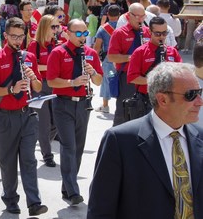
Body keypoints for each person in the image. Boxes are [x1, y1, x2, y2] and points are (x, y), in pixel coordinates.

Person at [88, 62, 203, 219]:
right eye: (191, 95)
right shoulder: (120, 141)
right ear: (162, 99)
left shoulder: (200, 137)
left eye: (200, 93)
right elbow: (101, 210)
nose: (199, 101)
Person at [0, 17, 48, 217]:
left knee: (29, 160)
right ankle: (11, 199)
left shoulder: (29, 56)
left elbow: (38, 87)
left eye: (21, 36)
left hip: (28, 115)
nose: (18, 40)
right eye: (14, 36)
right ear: (5, 36)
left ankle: (34, 202)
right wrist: (10, 89)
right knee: (8, 161)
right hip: (6, 117)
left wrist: (33, 78)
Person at [46, 19, 103, 205]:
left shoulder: (91, 54)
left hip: (83, 104)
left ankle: (67, 187)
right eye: (78, 33)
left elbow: (99, 81)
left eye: (85, 33)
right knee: (68, 146)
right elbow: (51, 81)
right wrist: (72, 83)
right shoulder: (58, 53)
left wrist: (93, 73)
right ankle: (73, 191)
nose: (82, 37)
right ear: (67, 33)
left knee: (78, 148)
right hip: (63, 104)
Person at [127, 17, 182, 119]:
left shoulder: (172, 52)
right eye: (157, 34)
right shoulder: (140, 52)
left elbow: (181, 74)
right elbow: (132, 78)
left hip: (169, 99)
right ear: (150, 32)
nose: (162, 37)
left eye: (164, 33)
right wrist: (155, 80)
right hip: (147, 100)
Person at [108, 3, 151, 126]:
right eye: (137, 16)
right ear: (128, 15)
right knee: (124, 111)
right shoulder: (120, 33)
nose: (140, 19)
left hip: (144, 77)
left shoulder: (148, 32)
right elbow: (111, 57)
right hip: (127, 77)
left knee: (145, 110)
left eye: (143, 16)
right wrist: (132, 58)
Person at [27, 15, 60, 167]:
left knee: (56, 123)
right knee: (45, 123)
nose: (56, 30)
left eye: (57, 26)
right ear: (45, 27)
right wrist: (51, 67)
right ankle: (47, 155)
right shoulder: (35, 45)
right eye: (53, 27)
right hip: (39, 86)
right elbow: (30, 66)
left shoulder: (56, 44)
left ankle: (42, 142)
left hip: (55, 85)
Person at [93, 5, 120, 113]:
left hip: (108, 58)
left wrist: (95, 61)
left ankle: (105, 105)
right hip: (121, 58)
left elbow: (97, 47)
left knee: (107, 80)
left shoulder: (103, 28)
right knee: (121, 80)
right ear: (119, 15)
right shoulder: (123, 27)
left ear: (107, 15)